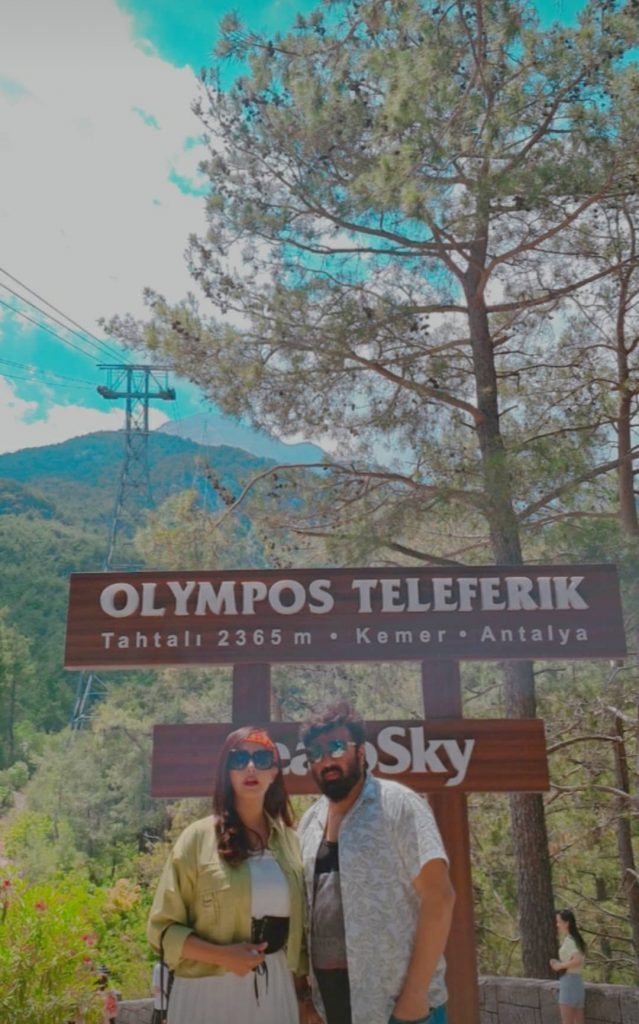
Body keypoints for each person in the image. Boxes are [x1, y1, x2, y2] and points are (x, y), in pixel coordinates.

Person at [298, 701, 455, 1024]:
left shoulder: (399, 806)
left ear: (361, 752)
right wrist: (305, 999)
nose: (326, 759)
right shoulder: (307, 825)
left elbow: (439, 898)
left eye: (337, 747)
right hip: (331, 1010)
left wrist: (413, 996)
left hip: (401, 1012)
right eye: (315, 752)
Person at [147, 726, 310, 1024]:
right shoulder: (196, 839)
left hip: (276, 991)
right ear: (227, 772)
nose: (250, 767)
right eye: (238, 759)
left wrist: (303, 997)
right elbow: (162, 931)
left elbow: (299, 939)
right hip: (207, 993)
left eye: (261, 758)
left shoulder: (290, 843)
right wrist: (223, 956)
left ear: (274, 772)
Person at [550, 909, 586, 1024]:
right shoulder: (577, 940)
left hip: (569, 982)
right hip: (578, 983)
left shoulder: (569, 941)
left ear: (567, 923)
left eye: (559, 922)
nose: (557, 925)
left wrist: (559, 966)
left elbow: (577, 960)